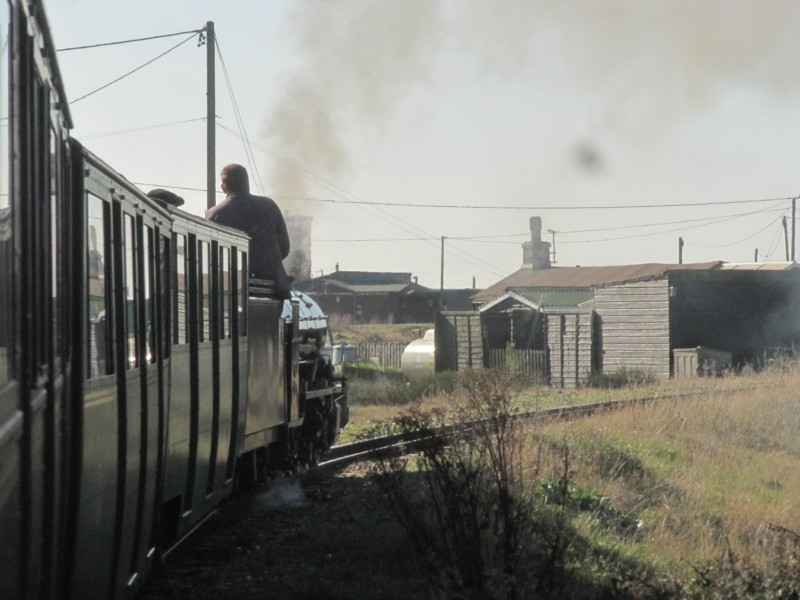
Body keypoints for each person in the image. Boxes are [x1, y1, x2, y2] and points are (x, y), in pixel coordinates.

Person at [205, 163, 292, 299]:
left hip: (232, 291)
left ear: (223, 188)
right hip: (271, 288)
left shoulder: (214, 214)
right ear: (247, 183)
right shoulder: (269, 206)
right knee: (268, 320)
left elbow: (211, 258)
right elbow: (285, 248)